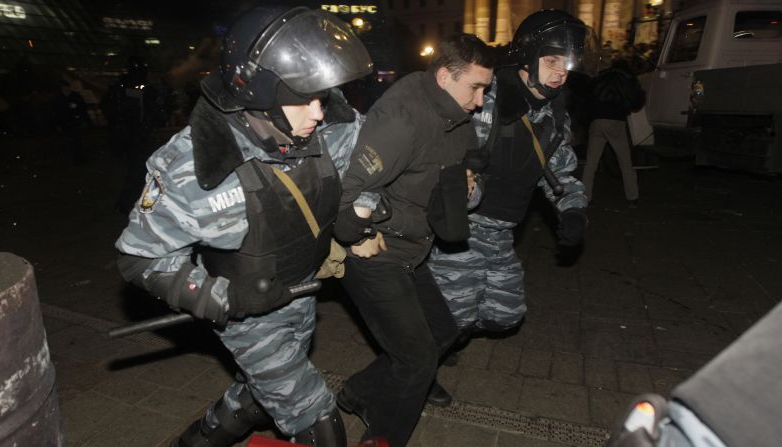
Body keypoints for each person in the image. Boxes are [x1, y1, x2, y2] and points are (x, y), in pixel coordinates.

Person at [114, 5, 374, 447]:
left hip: (301, 291)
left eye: (322, 95)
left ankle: (200, 438)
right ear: (261, 95)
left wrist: (365, 206)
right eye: (304, 99)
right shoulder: (192, 167)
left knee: (262, 396)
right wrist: (223, 296)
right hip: (245, 316)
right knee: (317, 422)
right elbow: (140, 259)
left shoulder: (328, 126)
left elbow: (377, 160)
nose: (319, 111)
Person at [331, 34, 495, 447]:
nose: (480, 101)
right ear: (444, 77)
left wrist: (467, 183)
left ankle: (359, 393)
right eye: (475, 88)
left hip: (411, 249)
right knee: (417, 359)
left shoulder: (454, 114)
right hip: (376, 252)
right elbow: (347, 194)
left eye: (485, 90)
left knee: (443, 331)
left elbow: (466, 161)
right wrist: (360, 234)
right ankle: (382, 437)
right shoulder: (403, 118)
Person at [427, 9, 591, 398]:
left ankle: (440, 336)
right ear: (528, 57)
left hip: (502, 231)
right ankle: (410, 370)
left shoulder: (554, 114)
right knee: (455, 313)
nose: (560, 73)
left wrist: (573, 209)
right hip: (461, 230)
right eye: (551, 61)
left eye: (566, 63)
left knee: (505, 315)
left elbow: (561, 174)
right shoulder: (486, 99)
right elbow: (436, 146)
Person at [102, 55, 166, 214]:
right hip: (137, 135)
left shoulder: (122, 87)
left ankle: (129, 202)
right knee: (139, 171)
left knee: (137, 170)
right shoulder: (136, 88)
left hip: (131, 135)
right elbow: (152, 111)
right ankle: (130, 203)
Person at [581, 58, 645, 208]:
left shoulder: (601, 76)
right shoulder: (628, 77)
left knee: (591, 163)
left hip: (597, 120)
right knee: (625, 161)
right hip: (616, 121)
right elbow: (636, 101)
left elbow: (587, 98)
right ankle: (632, 197)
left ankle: (585, 198)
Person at [53, 80, 89, 165]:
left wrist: (84, 119)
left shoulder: (75, 96)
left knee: (78, 140)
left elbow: (83, 108)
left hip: (76, 122)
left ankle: (80, 158)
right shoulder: (58, 98)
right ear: (61, 89)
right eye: (64, 88)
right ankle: (76, 158)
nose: (66, 89)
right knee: (71, 141)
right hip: (66, 123)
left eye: (67, 87)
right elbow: (56, 112)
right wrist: (57, 124)